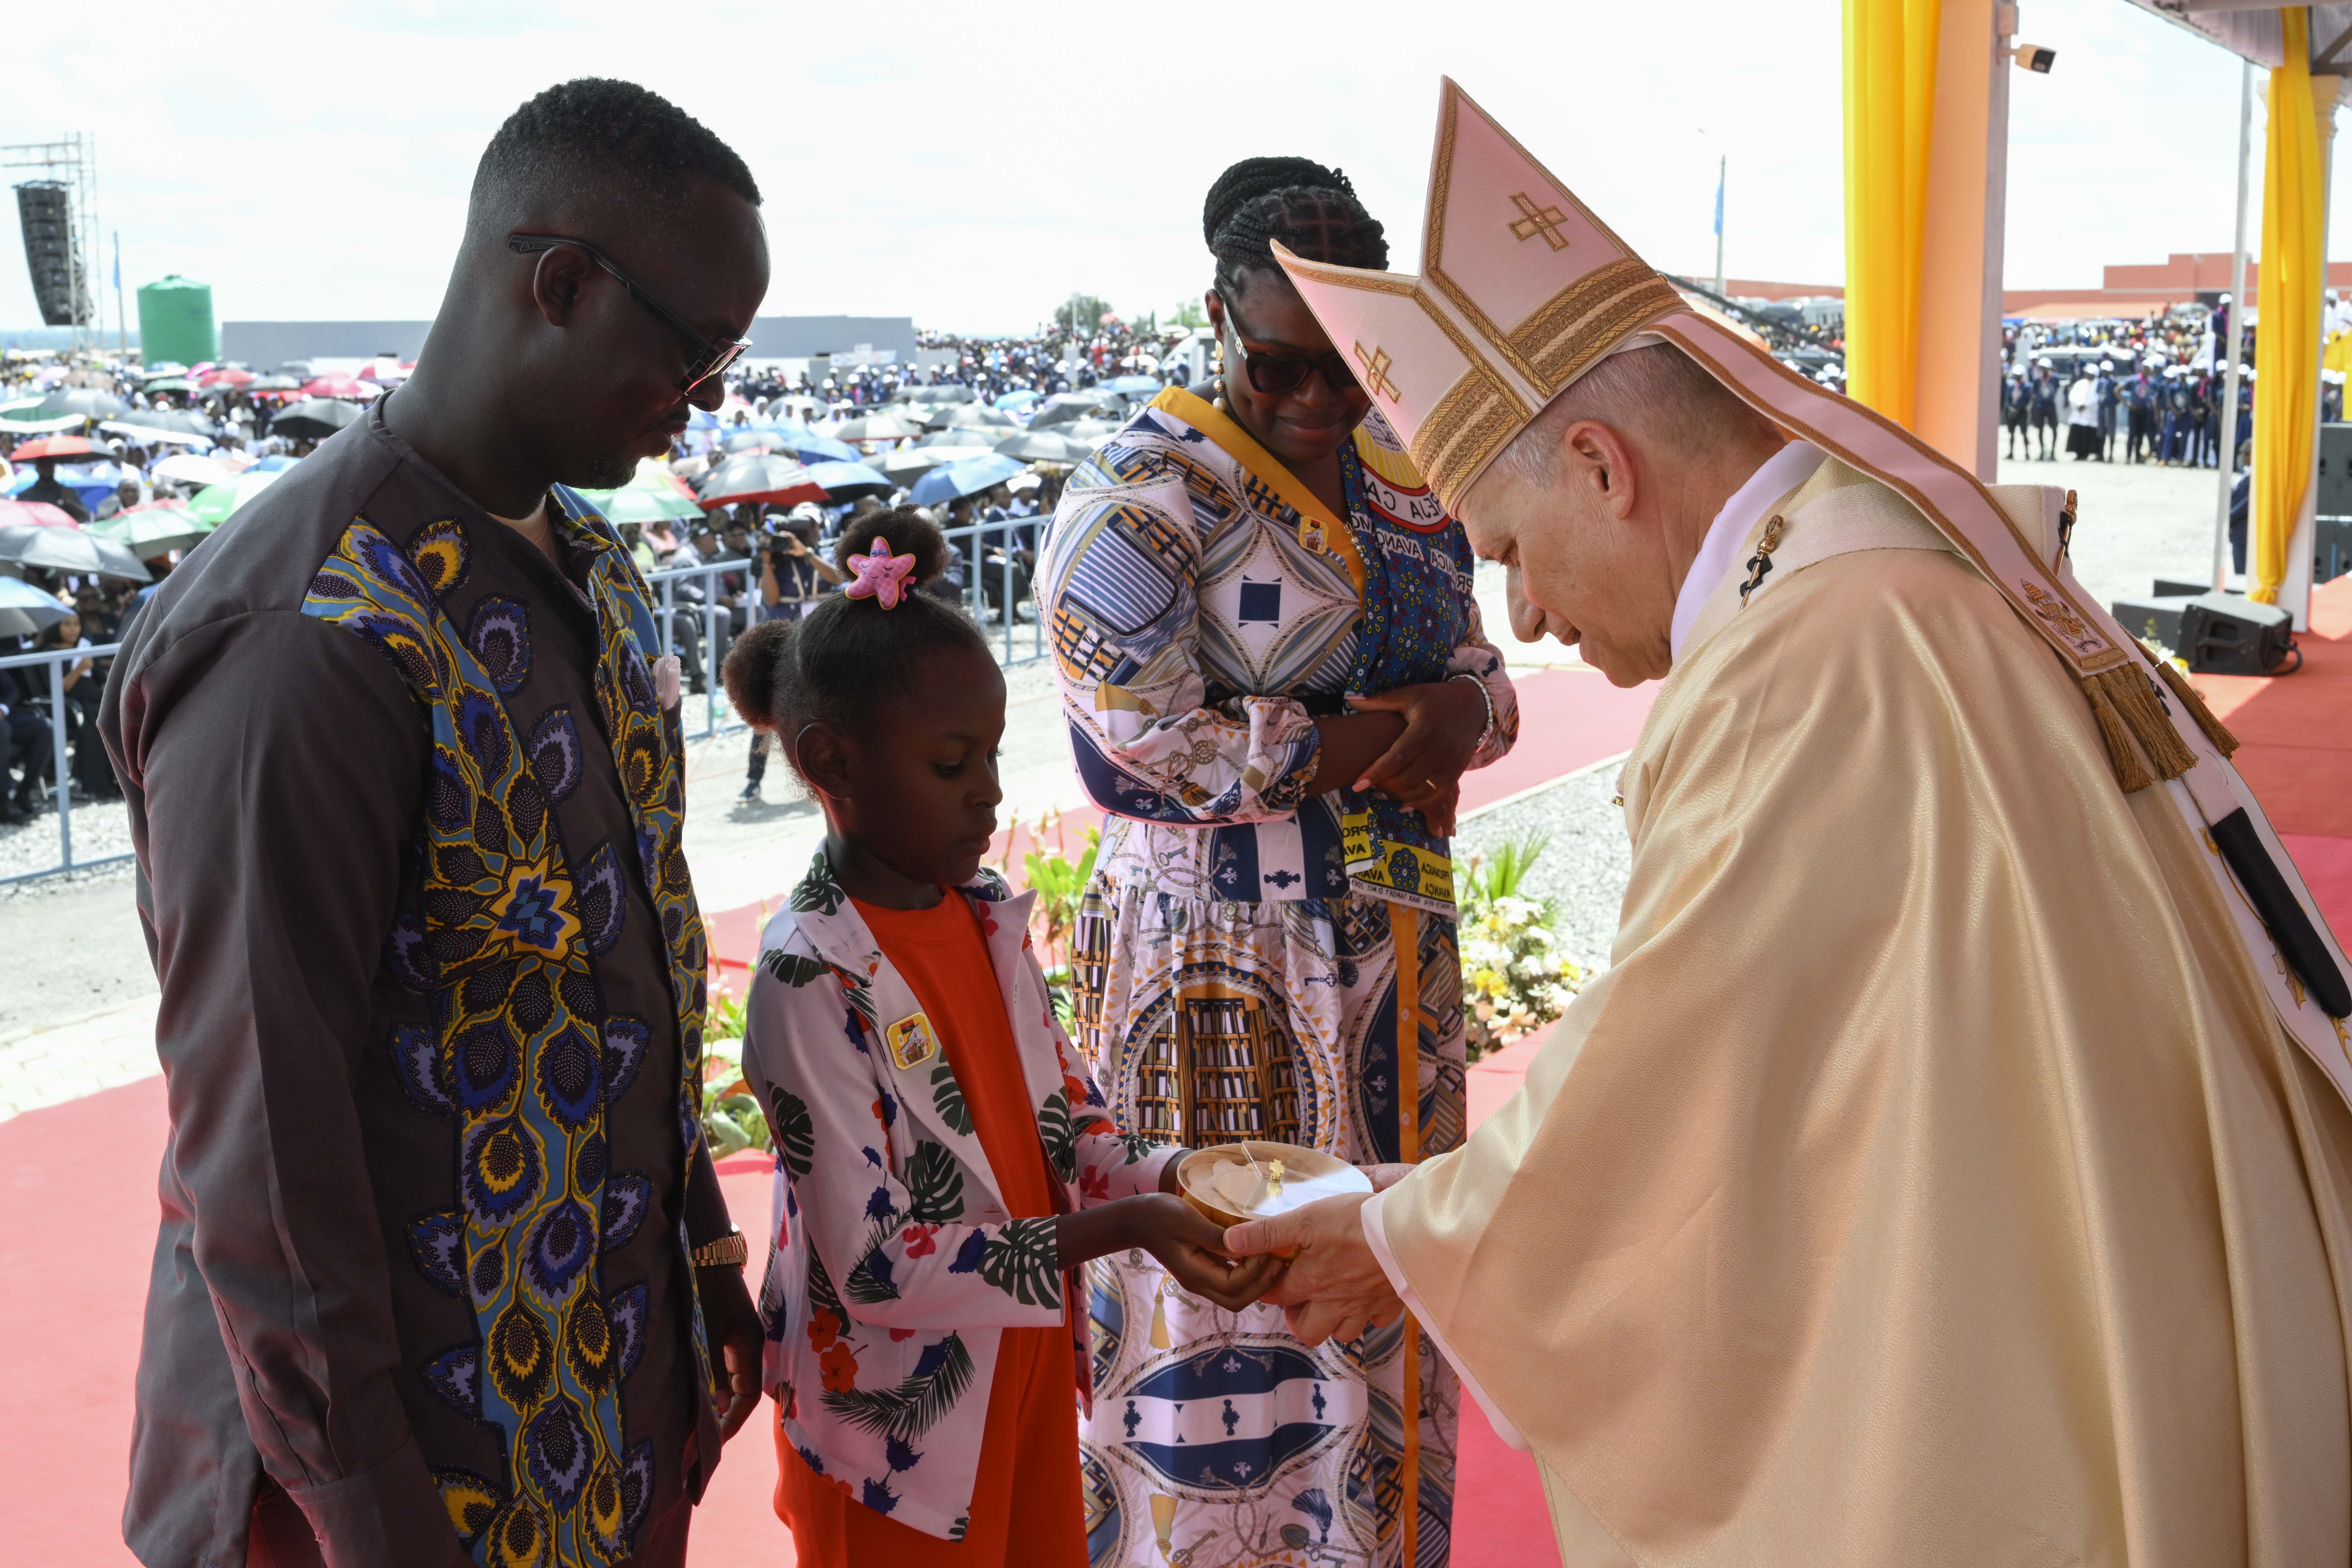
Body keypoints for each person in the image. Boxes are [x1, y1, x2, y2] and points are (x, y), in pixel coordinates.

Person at [1234, 78, 2352, 1567]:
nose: (1530, 615)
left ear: (1601, 468)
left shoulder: (1805, 660)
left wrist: (1407, 1237)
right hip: (2121, 1250)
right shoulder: (1878, 553)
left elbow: (1681, 1089)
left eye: (1514, 552)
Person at [99, 79, 772, 1568]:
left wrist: (703, 1246)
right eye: (693, 353)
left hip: (596, 1405)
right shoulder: (311, 633)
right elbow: (265, 1144)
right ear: (561, 283)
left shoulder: (597, 572)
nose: (704, 403)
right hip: (380, 1482)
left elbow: (634, 969)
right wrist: (374, 1519)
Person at [1037, 155, 1519, 1568]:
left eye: (1350, 369)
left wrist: (1447, 712)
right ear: (1217, 318)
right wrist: (1398, 724)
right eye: (1283, 366)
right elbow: (1145, 746)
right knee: (1219, 1293)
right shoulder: (1135, 500)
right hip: (1214, 969)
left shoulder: (1409, 483)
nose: (1317, 400)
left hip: (1394, 959)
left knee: (1390, 1274)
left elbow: (1492, 687)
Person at [717, 509, 1274, 1567]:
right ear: (831, 761)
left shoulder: (983, 916)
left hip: (1013, 1381)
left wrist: (1193, 1177)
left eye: (992, 753)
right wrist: (1132, 1227)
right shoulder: (808, 975)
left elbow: (1072, 1130)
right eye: (950, 763)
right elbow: (879, 1269)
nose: (991, 791)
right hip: (897, 1439)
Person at [739, 510, 842, 802]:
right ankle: (753, 779)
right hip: (783, 635)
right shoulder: (776, 559)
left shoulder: (818, 554)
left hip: (819, 635)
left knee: (826, 704)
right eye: (806, 528)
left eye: (812, 527)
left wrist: (806, 553)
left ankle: (829, 775)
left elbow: (835, 577)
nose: (814, 531)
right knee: (765, 708)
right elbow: (771, 599)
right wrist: (769, 559)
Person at [20, 455, 91, 521]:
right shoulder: (27, 496)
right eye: (43, 466)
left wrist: (70, 503)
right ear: (37, 469)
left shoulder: (66, 492)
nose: (47, 469)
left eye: (50, 466)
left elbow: (85, 518)